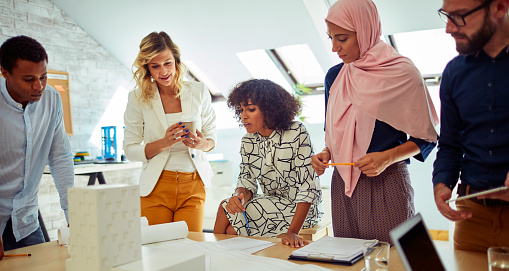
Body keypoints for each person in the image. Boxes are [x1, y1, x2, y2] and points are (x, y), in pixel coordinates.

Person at [311, 0, 439, 244]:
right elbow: (335, 133)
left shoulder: (401, 73)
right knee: (350, 264)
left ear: (365, 30)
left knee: (392, 264)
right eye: (331, 39)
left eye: (342, 38)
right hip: (343, 183)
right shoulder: (335, 76)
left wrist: (388, 157)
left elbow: (426, 139)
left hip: (386, 182)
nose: (335, 48)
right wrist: (325, 154)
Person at [433, 0, 509, 252]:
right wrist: (442, 183)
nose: (449, 28)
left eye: (460, 16)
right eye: (447, 15)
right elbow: (449, 144)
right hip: (471, 216)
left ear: (499, 7)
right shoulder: (454, 73)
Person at [123, 32, 216, 232]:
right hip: (156, 186)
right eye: (154, 66)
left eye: (167, 63)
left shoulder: (199, 91)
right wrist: (163, 143)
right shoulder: (138, 98)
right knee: (157, 254)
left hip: (193, 184)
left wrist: (202, 144)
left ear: (176, 62)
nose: (163, 71)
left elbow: (211, 136)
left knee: (191, 250)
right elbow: (130, 150)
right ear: (147, 68)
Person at [213, 79, 322, 248]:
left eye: (251, 109)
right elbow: (246, 180)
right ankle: (226, 260)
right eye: (241, 110)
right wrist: (238, 197)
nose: (244, 116)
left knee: (227, 212)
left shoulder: (296, 132)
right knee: (228, 217)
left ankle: (213, 255)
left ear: (270, 109)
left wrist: (292, 232)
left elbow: (308, 187)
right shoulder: (248, 140)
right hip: (271, 203)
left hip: (302, 210)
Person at [0, 36, 74, 260]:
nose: (39, 86)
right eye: (29, 79)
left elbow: (60, 156)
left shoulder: (51, 99)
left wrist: (74, 214)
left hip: (26, 219)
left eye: (43, 77)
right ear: (4, 72)